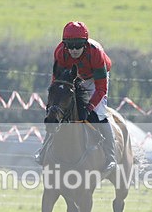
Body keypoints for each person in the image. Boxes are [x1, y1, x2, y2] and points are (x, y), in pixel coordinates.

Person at [37, 21, 116, 173]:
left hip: (94, 78)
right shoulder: (60, 52)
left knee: (99, 113)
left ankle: (110, 157)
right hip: (73, 76)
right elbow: (56, 82)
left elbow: (101, 89)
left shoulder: (96, 53)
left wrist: (89, 107)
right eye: (70, 45)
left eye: (78, 45)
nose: (73, 50)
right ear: (64, 45)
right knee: (56, 112)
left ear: (85, 44)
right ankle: (44, 150)